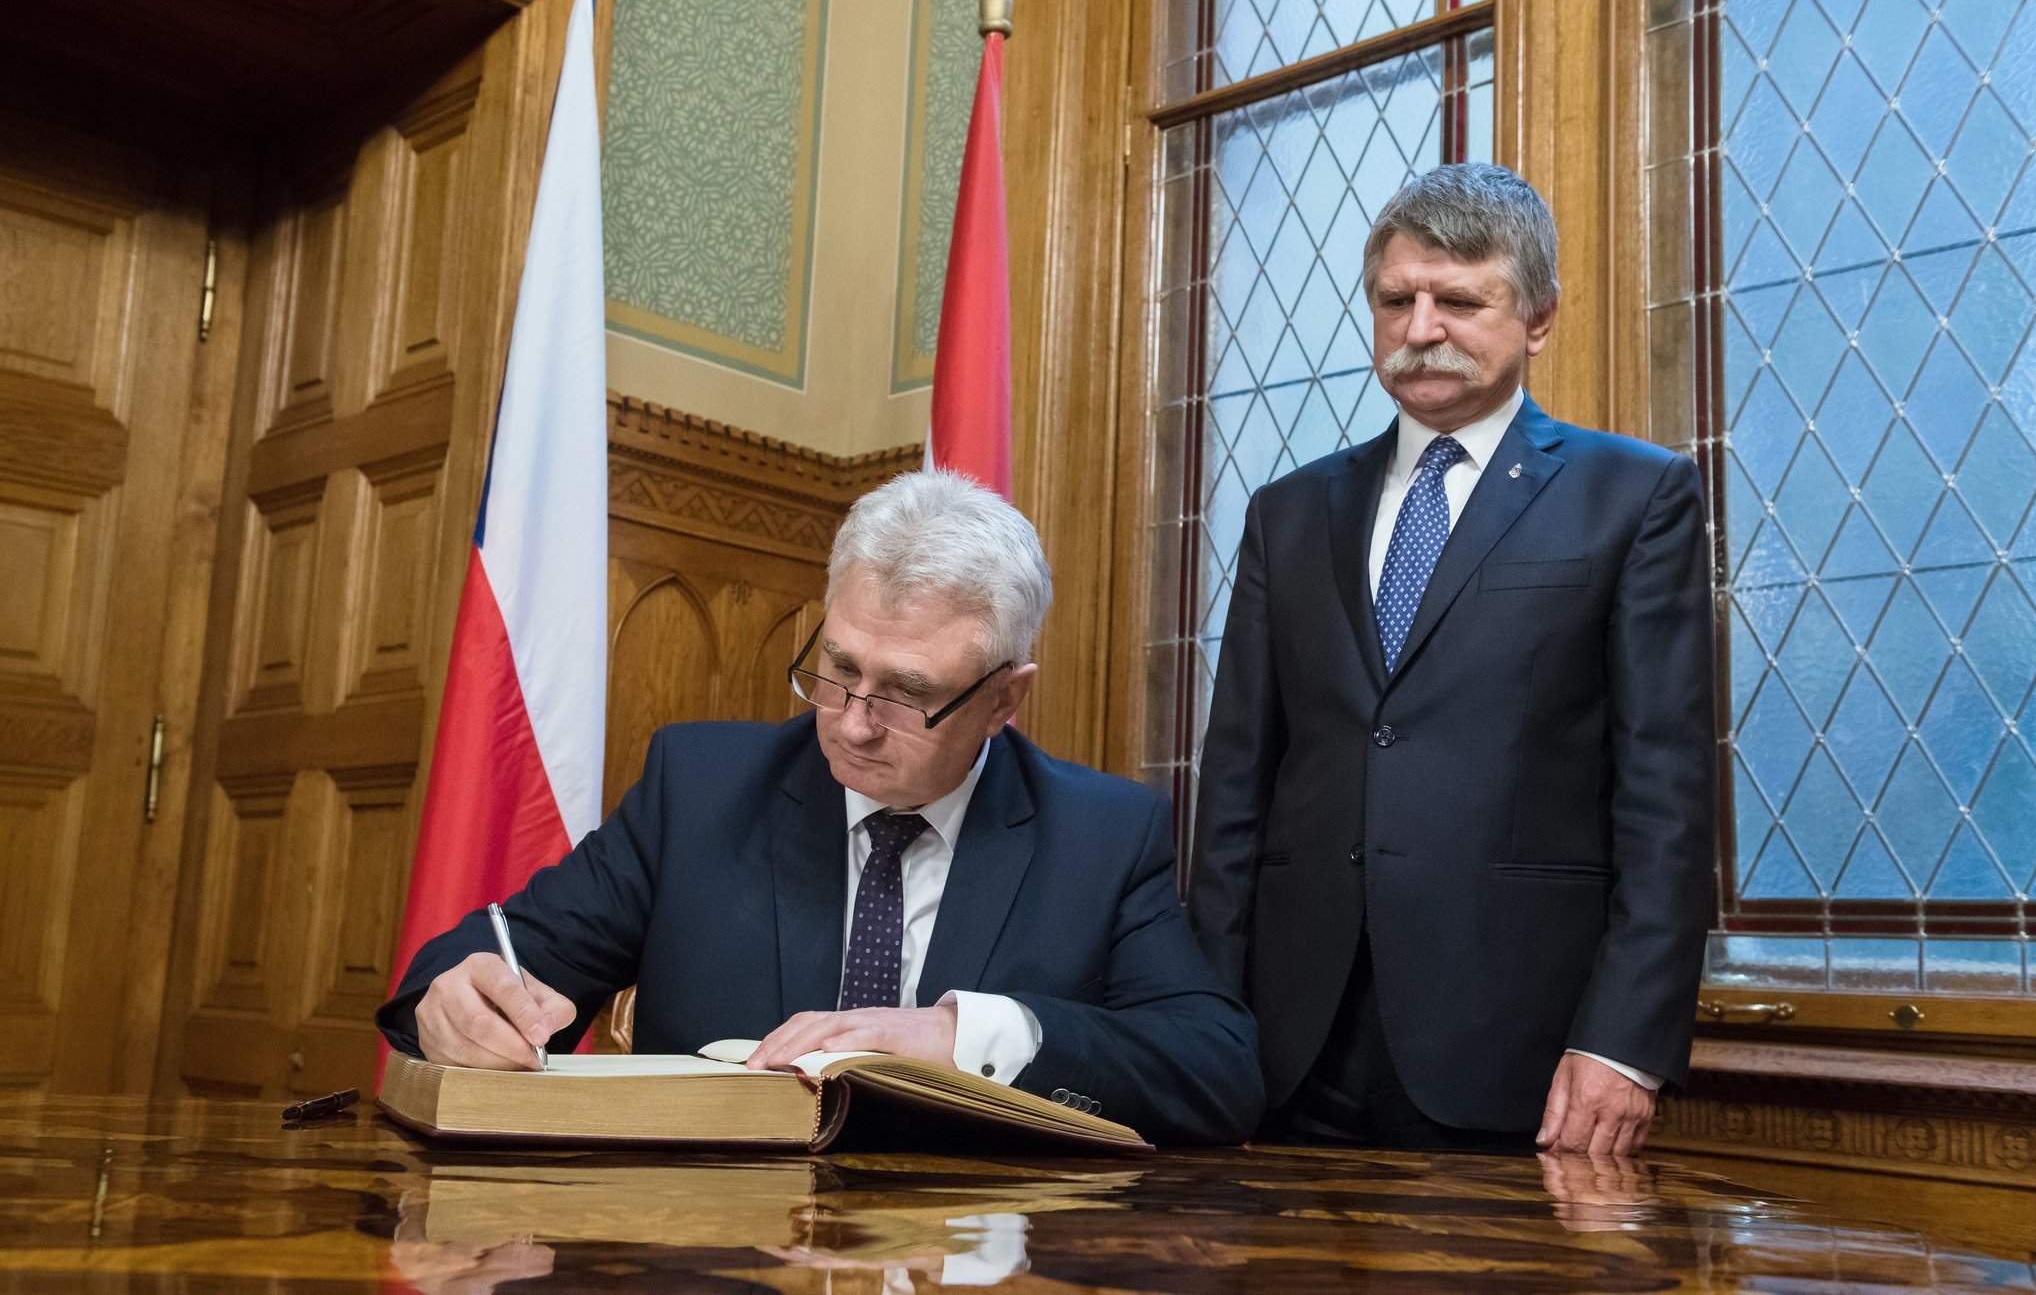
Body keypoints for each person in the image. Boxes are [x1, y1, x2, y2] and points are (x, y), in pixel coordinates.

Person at [379, 470, 1264, 1146]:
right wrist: (449, 1000)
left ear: (1005, 698)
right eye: (838, 667)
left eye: (907, 692)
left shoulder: (1101, 836)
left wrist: (963, 1034)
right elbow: (484, 954)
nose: (852, 722)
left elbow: (1217, 1069)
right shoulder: (701, 788)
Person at [1187, 163, 1714, 1156]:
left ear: (1538, 318)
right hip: (1285, 1045)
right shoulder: (1288, 513)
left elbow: (1667, 797)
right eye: (1397, 300)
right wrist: (1202, 1022)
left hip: (1516, 1044)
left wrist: (1624, 1041)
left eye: (1459, 302)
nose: (1420, 328)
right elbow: (1234, 789)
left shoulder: (1633, 497)